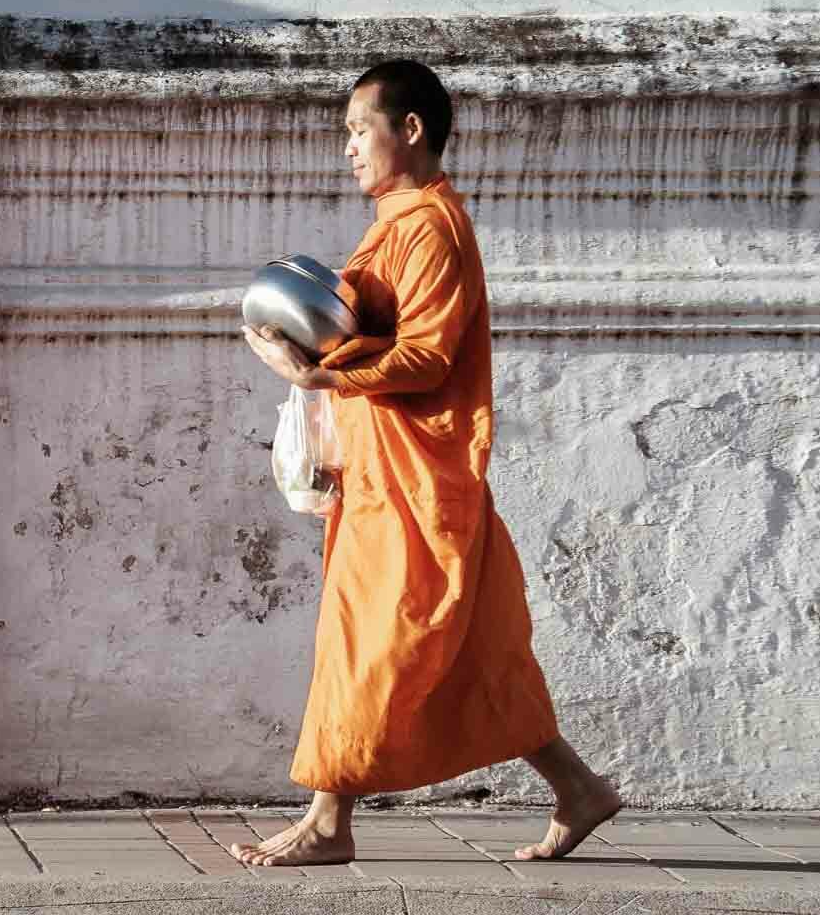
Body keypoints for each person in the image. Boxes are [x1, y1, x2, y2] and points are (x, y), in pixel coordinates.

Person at [234, 59, 621, 866]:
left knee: (371, 643)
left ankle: (328, 823)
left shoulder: (430, 228)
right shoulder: (397, 224)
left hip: (417, 480)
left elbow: (426, 358)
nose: (347, 148)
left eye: (358, 129)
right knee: (473, 654)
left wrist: (318, 376)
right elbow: (367, 330)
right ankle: (579, 789)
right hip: (386, 471)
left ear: (409, 129)